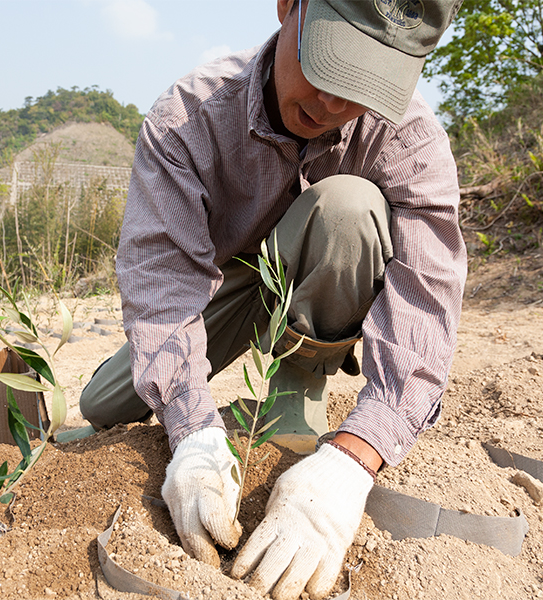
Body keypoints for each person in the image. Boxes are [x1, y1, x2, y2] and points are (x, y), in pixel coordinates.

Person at [78, 0, 466, 598]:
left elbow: (425, 308)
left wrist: (353, 460)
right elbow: (163, 282)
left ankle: (296, 393)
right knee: (104, 405)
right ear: (290, 7)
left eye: (367, 81)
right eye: (332, 66)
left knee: (348, 209)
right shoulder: (190, 115)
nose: (335, 104)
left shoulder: (410, 138)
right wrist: (192, 433)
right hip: (224, 291)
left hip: (327, 280)